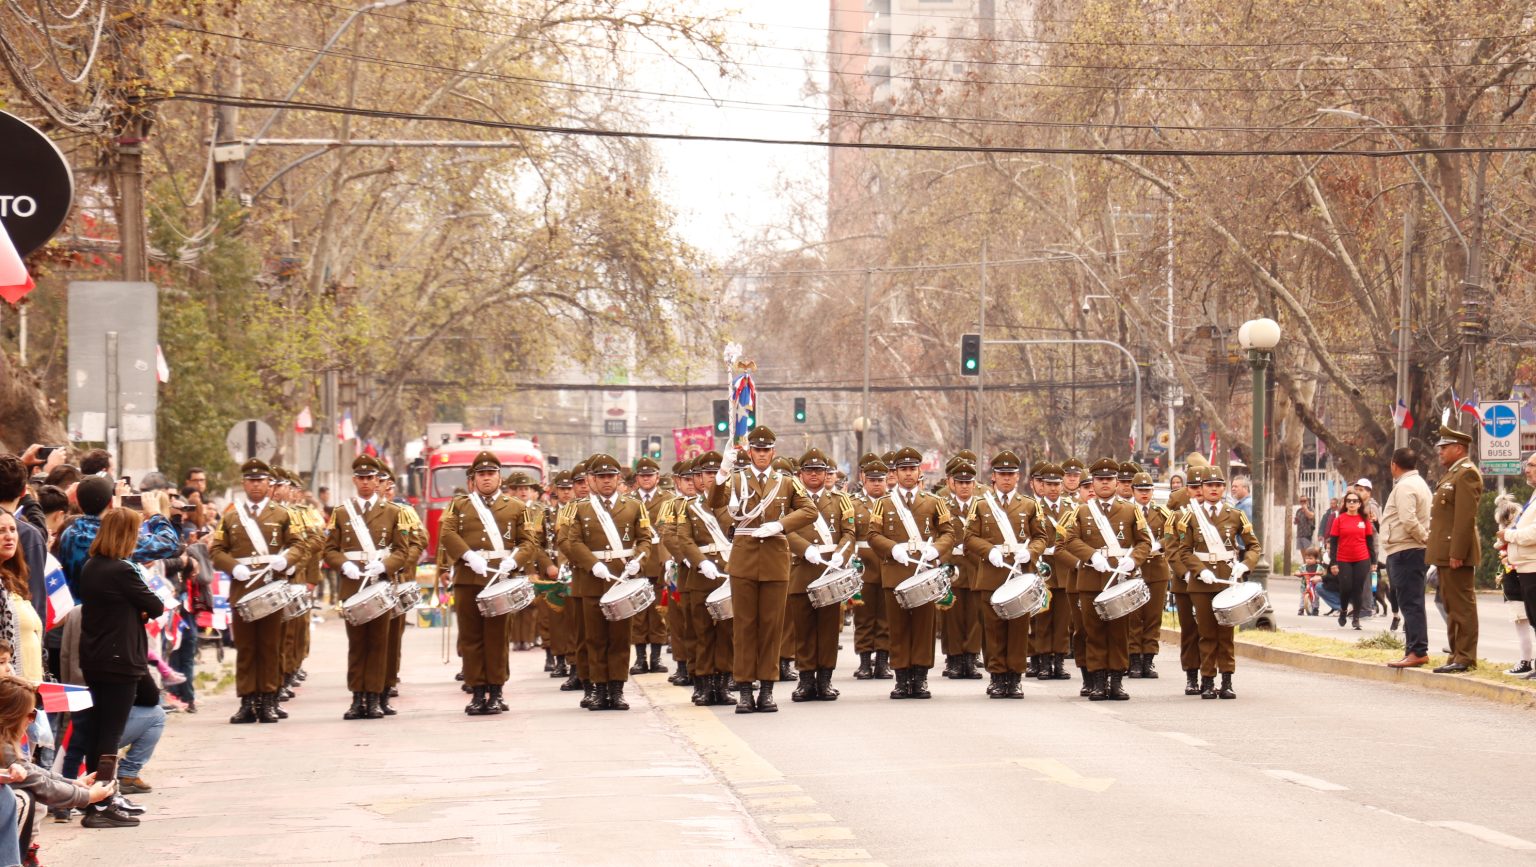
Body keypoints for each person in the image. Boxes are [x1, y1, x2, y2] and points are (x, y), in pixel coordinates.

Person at [707, 428, 816, 714]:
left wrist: (780, 525)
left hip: (775, 559)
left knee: (771, 627)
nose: (762, 454)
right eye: (757, 450)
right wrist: (722, 471)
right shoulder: (736, 479)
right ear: (750, 452)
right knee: (744, 627)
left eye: (766, 450)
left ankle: (767, 690)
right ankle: (745, 690)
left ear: (773, 452)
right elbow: (714, 503)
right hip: (744, 559)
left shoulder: (787, 482)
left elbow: (809, 510)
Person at [76, 508, 165, 828]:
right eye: (136, 533)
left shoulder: (91, 565)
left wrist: (136, 608)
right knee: (109, 734)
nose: (139, 539)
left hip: (96, 657)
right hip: (120, 659)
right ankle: (101, 804)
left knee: (102, 728)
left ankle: (100, 797)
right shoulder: (121, 570)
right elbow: (156, 605)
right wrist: (140, 609)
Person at [322, 455, 422, 720]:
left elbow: (402, 550)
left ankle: (375, 697)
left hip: (381, 584)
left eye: (370, 478)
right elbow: (329, 549)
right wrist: (344, 564)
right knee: (357, 644)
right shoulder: (342, 512)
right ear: (354, 480)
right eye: (361, 478)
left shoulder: (393, 512)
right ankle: (358, 698)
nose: (366, 482)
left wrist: (386, 566)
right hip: (353, 584)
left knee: (379, 643)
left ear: (378, 481)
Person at [438, 451, 535, 716]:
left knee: (497, 638)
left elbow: (528, 542)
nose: (487, 478)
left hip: (500, 578)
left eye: (491, 473)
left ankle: (496, 690)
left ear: (499, 477)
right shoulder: (459, 505)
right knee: (471, 638)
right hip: (468, 578)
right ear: (474, 478)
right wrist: (468, 555)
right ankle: (478, 691)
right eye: (481, 474)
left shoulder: (516, 507)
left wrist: (514, 561)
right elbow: (447, 533)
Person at [557, 453, 654, 711]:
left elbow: (645, 539)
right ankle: (599, 689)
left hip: (622, 579)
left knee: (620, 638)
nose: (607, 481)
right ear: (591, 479)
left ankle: (617, 689)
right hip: (592, 580)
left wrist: (639, 560)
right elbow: (572, 541)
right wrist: (592, 564)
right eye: (601, 477)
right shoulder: (580, 508)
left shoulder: (633, 506)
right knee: (595, 638)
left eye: (611, 476)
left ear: (618, 478)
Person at [209, 460, 299, 725]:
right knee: (246, 647)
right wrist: (232, 567)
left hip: (271, 587)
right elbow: (217, 550)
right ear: (244, 484)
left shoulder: (282, 514)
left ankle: (269, 699)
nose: (256, 485)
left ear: (269, 484)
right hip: (243, 587)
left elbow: (298, 545)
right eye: (251, 481)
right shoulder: (231, 516)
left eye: (261, 481)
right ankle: (248, 701)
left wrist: (287, 560)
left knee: (270, 646)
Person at [867, 446, 957, 701]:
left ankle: (920, 677)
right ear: (895, 473)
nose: (908, 473)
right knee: (898, 627)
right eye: (903, 469)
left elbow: (948, 533)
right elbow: (873, 534)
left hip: (924, 572)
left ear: (920, 472)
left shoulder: (934, 502)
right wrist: (892, 548)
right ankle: (901, 677)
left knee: (923, 627)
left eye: (912, 469)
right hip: (896, 572)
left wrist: (936, 550)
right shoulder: (884, 503)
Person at [1060, 459, 1151, 701]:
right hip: (1091, 579)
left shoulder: (1130, 510)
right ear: (1093, 482)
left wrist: (1133, 560)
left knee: (1119, 633)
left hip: (1120, 579)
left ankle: (1117, 681)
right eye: (1100, 479)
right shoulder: (1082, 511)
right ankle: (1098, 681)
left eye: (1109, 479)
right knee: (1094, 632)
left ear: (1117, 482)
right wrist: (1091, 556)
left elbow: (1144, 542)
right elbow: (1070, 539)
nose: (1104, 483)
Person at [963, 450, 1047, 699]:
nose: (1007, 478)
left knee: (1019, 629)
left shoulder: (1029, 505)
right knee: (994, 629)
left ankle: (1015, 677)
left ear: (1018, 476)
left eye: (1011, 474)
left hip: (1019, 574)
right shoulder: (981, 505)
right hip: (992, 573)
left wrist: (1030, 552)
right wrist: (988, 551)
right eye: (1002, 474)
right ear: (994, 476)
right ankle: (998, 676)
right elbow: (969, 537)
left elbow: (1041, 537)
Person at [1171, 464, 1259, 699]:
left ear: (1224, 488)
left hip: (1227, 580)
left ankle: (1227, 680)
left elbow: (1253, 546)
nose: (1213, 489)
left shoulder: (1236, 515)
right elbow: (1184, 550)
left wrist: (1245, 564)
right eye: (1209, 485)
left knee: (1226, 633)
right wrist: (1199, 571)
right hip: (1202, 583)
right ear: (1201, 488)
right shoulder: (1190, 516)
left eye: (1218, 485)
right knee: (1206, 632)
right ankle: (1208, 680)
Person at [785, 448, 855, 702]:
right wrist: (804, 549)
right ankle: (805, 680)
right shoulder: (790, 500)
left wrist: (840, 555)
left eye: (819, 470)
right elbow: (784, 530)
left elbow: (849, 533)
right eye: (809, 470)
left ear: (826, 474)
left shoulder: (839, 500)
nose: (814, 475)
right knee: (803, 629)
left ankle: (825, 680)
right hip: (802, 569)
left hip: (830, 571)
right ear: (801, 474)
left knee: (827, 630)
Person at [1427, 424, 1483, 673]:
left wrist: (1457, 553)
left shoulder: (1467, 474)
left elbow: (1464, 518)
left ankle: (1466, 657)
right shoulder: (1453, 473)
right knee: (1450, 605)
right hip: (1445, 551)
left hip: (1456, 552)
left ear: (1458, 449)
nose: (1440, 451)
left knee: (1462, 606)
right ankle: (1456, 653)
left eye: (1445, 447)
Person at [1382, 447, 1433, 668]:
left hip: (1407, 550)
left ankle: (1417, 650)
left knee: (1410, 603)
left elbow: (1408, 519)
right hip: (1408, 549)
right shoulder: (1418, 483)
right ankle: (1413, 649)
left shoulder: (1405, 486)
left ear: (1394, 464)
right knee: (1411, 601)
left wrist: (1424, 539)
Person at [1030, 463, 1077, 683]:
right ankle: (1043, 661)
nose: (1053, 488)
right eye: (1048, 484)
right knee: (1043, 618)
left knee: (1063, 619)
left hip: (1065, 569)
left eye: (1056, 484)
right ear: (1042, 485)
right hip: (1044, 569)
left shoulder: (1071, 508)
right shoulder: (1034, 507)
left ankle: (1059, 660)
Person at [628, 458, 673, 676]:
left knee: (657, 612)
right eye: (642, 476)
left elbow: (671, 530)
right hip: (636, 561)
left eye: (650, 475)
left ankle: (656, 657)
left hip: (658, 561)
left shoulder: (668, 499)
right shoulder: (628, 500)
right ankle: (639, 659)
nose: (646, 479)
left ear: (657, 477)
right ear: (637, 478)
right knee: (638, 612)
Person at [1128, 472, 1174, 678]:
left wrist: (1160, 545)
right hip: (1133, 568)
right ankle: (1134, 659)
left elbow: (1172, 534)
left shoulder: (1161, 512)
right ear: (1133, 491)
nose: (1144, 494)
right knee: (1134, 616)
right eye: (1140, 490)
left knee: (1153, 616)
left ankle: (1149, 658)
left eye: (1147, 490)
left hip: (1156, 568)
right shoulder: (1126, 511)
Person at [851, 458, 893, 681]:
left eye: (880, 480)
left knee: (886, 616)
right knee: (864, 616)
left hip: (888, 564)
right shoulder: (854, 504)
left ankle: (883, 662)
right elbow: (849, 535)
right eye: (872, 480)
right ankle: (865, 661)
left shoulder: (894, 504)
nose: (877, 484)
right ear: (864, 481)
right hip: (864, 567)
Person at [1497, 454, 1536, 680]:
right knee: (1532, 618)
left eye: (1531, 465)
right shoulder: (1533, 495)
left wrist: (1509, 535)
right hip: (1525, 567)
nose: (1526, 470)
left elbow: (1533, 533)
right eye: (1526, 465)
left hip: (1533, 565)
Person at [1327, 491, 1376, 630]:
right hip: (1344, 559)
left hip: (1362, 558)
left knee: (1357, 589)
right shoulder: (1339, 520)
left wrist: (1374, 561)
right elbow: (1333, 543)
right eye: (1349, 501)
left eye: (1355, 501)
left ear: (1360, 504)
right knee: (1346, 587)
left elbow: (1370, 542)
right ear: (1345, 504)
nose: (1352, 503)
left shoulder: (1364, 520)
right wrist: (1333, 562)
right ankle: (1343, 610)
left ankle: (1356, 618)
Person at [1295, 547, 1324, 616]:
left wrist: (1320, 574)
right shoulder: (1303, 567)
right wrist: (1297, 573)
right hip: (1305, 585)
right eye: (1307, 558)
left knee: (1316, 596)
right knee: (1303, 596)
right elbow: (1298, 571)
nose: (1308, 560)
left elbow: (1323, 572)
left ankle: (1315, 608)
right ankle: (1301, 608)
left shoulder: (1319, 567)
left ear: (1316, 559)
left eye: (1310, 558)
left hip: (1314, 586)